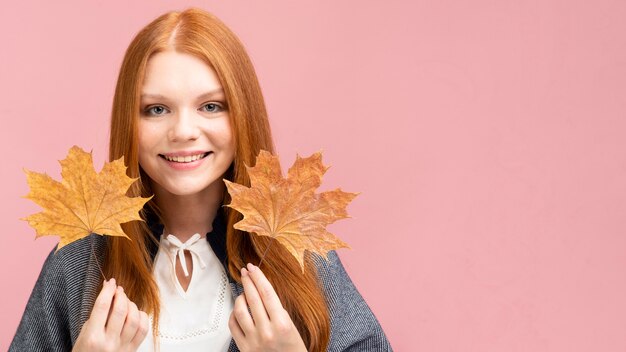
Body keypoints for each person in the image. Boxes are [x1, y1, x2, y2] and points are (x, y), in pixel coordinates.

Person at [10, 7, 391, 352]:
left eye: (210, 106)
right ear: (130, 121)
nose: (184, 131)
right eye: (156, 109)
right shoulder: (81, 257)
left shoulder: (295, 250)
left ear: (242, 114)